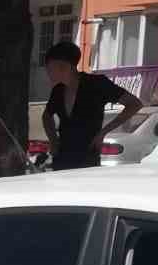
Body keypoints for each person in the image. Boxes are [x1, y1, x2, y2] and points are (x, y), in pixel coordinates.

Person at [42, 41, 142, 169]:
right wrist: (53, 140)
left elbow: (134, 104)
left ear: (65, 66)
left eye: (50, 68)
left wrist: (103, 132)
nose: (48, 73)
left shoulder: (97, 84)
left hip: (87, 157)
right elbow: (46, 116)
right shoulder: (58, 90)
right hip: (62, 157)